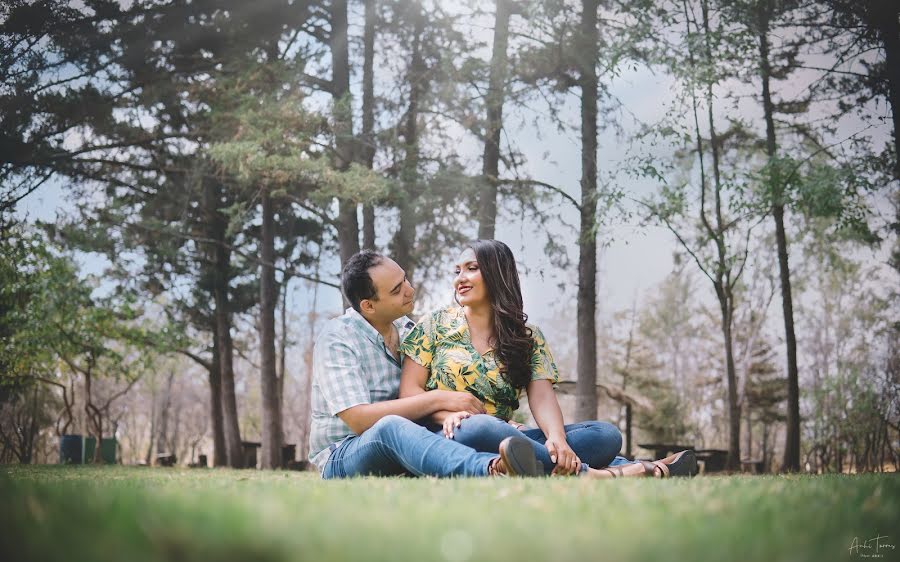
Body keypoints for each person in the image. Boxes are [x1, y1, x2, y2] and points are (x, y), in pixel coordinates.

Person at [399, 239, 696, 478]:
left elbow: (542, 397)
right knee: (480, 427)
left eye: (471, 269)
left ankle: (532, 463)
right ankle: (613, 471)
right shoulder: (434, 325)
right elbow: (409, 393)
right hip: (451, 433)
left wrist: (557, 439)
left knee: (604, 435)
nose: (459, 279)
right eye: (457, 271)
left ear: (496, 272)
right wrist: (447, 414)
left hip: (509, 438)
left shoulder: (527, 336)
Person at [308, 249, 542, 479]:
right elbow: (360, 420)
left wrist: (496, 421)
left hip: (416, 440)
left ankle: (563, 461)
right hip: (346, 452)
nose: (410, 290)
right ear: (369, 306)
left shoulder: (410, 330)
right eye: (397, 290)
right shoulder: (338, 338)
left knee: (481, 431)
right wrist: (438, 398)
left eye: (405, 279)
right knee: (390, 427)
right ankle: (490, 468)